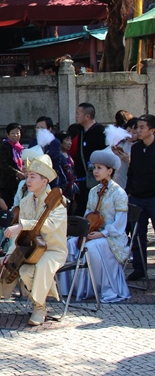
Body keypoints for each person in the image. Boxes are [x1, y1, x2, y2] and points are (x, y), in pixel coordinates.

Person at [0, 153, 66, 327]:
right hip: (28, 249)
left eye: (32, 177)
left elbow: (50, 225)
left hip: (51, 250)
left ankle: (40, 308)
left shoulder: (58, 201)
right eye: (27, 176)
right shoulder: (25, 202)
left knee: (29, 270)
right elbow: (19, 237)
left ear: (44, 181)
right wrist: (11, 254)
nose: (28, 180)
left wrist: (23, 225)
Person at [58, 147, 130, 303]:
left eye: (99, 168)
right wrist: (85, 231)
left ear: (110, 171)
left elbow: (120, 223)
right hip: (93, 232)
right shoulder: (93, 191)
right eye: (95, 168)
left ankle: (101, 289)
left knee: (90, 247)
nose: (95, 171)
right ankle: (71, 289)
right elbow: (88, 215)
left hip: (112, 236)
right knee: (70, 243)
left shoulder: (119, 193)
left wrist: (102, 233)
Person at [125, 114, 155, 282]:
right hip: (137, 197)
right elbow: (131, 171)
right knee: (137, 234)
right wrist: (129, 191)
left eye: (142, 127)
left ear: (152, 130)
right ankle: (139, 268)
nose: (138, 130)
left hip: (153, 197)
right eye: (138, 127)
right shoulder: (135, 148)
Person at [73, 102, 106, 216]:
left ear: (87, 116)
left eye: (78, 113)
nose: (76, 116)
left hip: (94, 178)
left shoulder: (100, 131)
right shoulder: (80, 130)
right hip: (82, 177)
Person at [31, 117, 64, 189]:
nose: (39, 130)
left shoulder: (55, 142)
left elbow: (49, 158)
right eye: (37, 128)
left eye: (42, 128)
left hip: (52, 179)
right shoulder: (34, 142)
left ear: (49, 129)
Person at [0, 123, 24, 204]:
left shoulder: (20, 147)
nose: (15, 135)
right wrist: (17, 173)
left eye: (17, 133)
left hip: (17, 182)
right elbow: (3, 164)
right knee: (9, 204)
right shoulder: (4, 146)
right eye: (13, 133)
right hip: (6, 182)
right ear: (8, 135)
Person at [112, 118, 137, 189]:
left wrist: (128, 160)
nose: (130, 134)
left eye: (134, 133)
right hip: (117, 179)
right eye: (128, 131)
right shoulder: (122, 143)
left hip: (129, 183)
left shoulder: (138, 146)